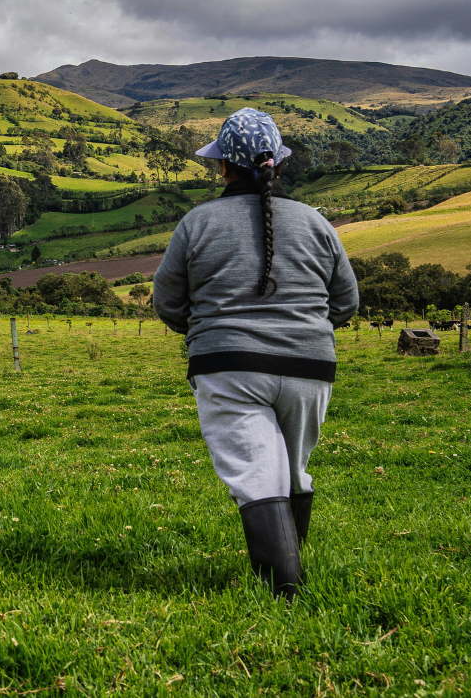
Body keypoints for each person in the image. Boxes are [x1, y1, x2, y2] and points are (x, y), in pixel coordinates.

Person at [153, 108, 359, 599]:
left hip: (227, 366)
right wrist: (302, 331)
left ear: (223, 167)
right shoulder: (316, 222)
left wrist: (208, 332)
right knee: (291, 470)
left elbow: (168, 302)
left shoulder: (196, 223)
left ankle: (283, 592)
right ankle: (288, 582)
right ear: (278, 164)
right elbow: (346, 303)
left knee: (255, 474)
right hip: (311, 368)